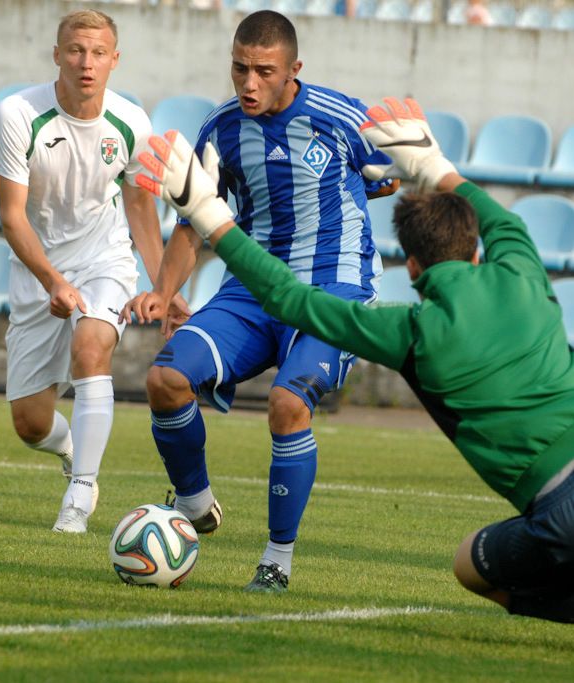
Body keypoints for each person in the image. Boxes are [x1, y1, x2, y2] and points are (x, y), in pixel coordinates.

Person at [135, 97, 574, 623]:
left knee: (471, 566)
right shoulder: (524, 266)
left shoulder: (412, 333)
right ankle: (195, 502)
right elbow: (499, 216)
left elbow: (289, 300)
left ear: (410, 268)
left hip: (559, 507)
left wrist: (209, 216)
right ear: (479, 249)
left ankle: (277, 560)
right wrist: (435, 167)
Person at [122, 10, 399, 592]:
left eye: (263, 71)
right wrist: (164, 292)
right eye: (239, 68)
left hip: (333, 289)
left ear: (293, 70)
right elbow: (194, 223)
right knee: (165, 381)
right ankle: (196, 504)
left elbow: (387, 177)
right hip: (250, 291)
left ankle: (276, 560)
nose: (248, 82)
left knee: (285, 404)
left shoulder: (339, 116)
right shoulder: (221, 128)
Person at [0, 9, 182, 533]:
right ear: (57, 55)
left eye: (99, 53)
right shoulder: (16, 114)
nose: (86, 63)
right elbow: (11, 216)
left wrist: (165, 286)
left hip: (105, 259)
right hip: (37, 270)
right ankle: (73, 449)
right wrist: (52, 280)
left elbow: (141, 208)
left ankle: (79, 495)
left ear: (114, 60)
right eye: (76, 50)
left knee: (91, 347)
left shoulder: (131, 123)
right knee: (29, 425)